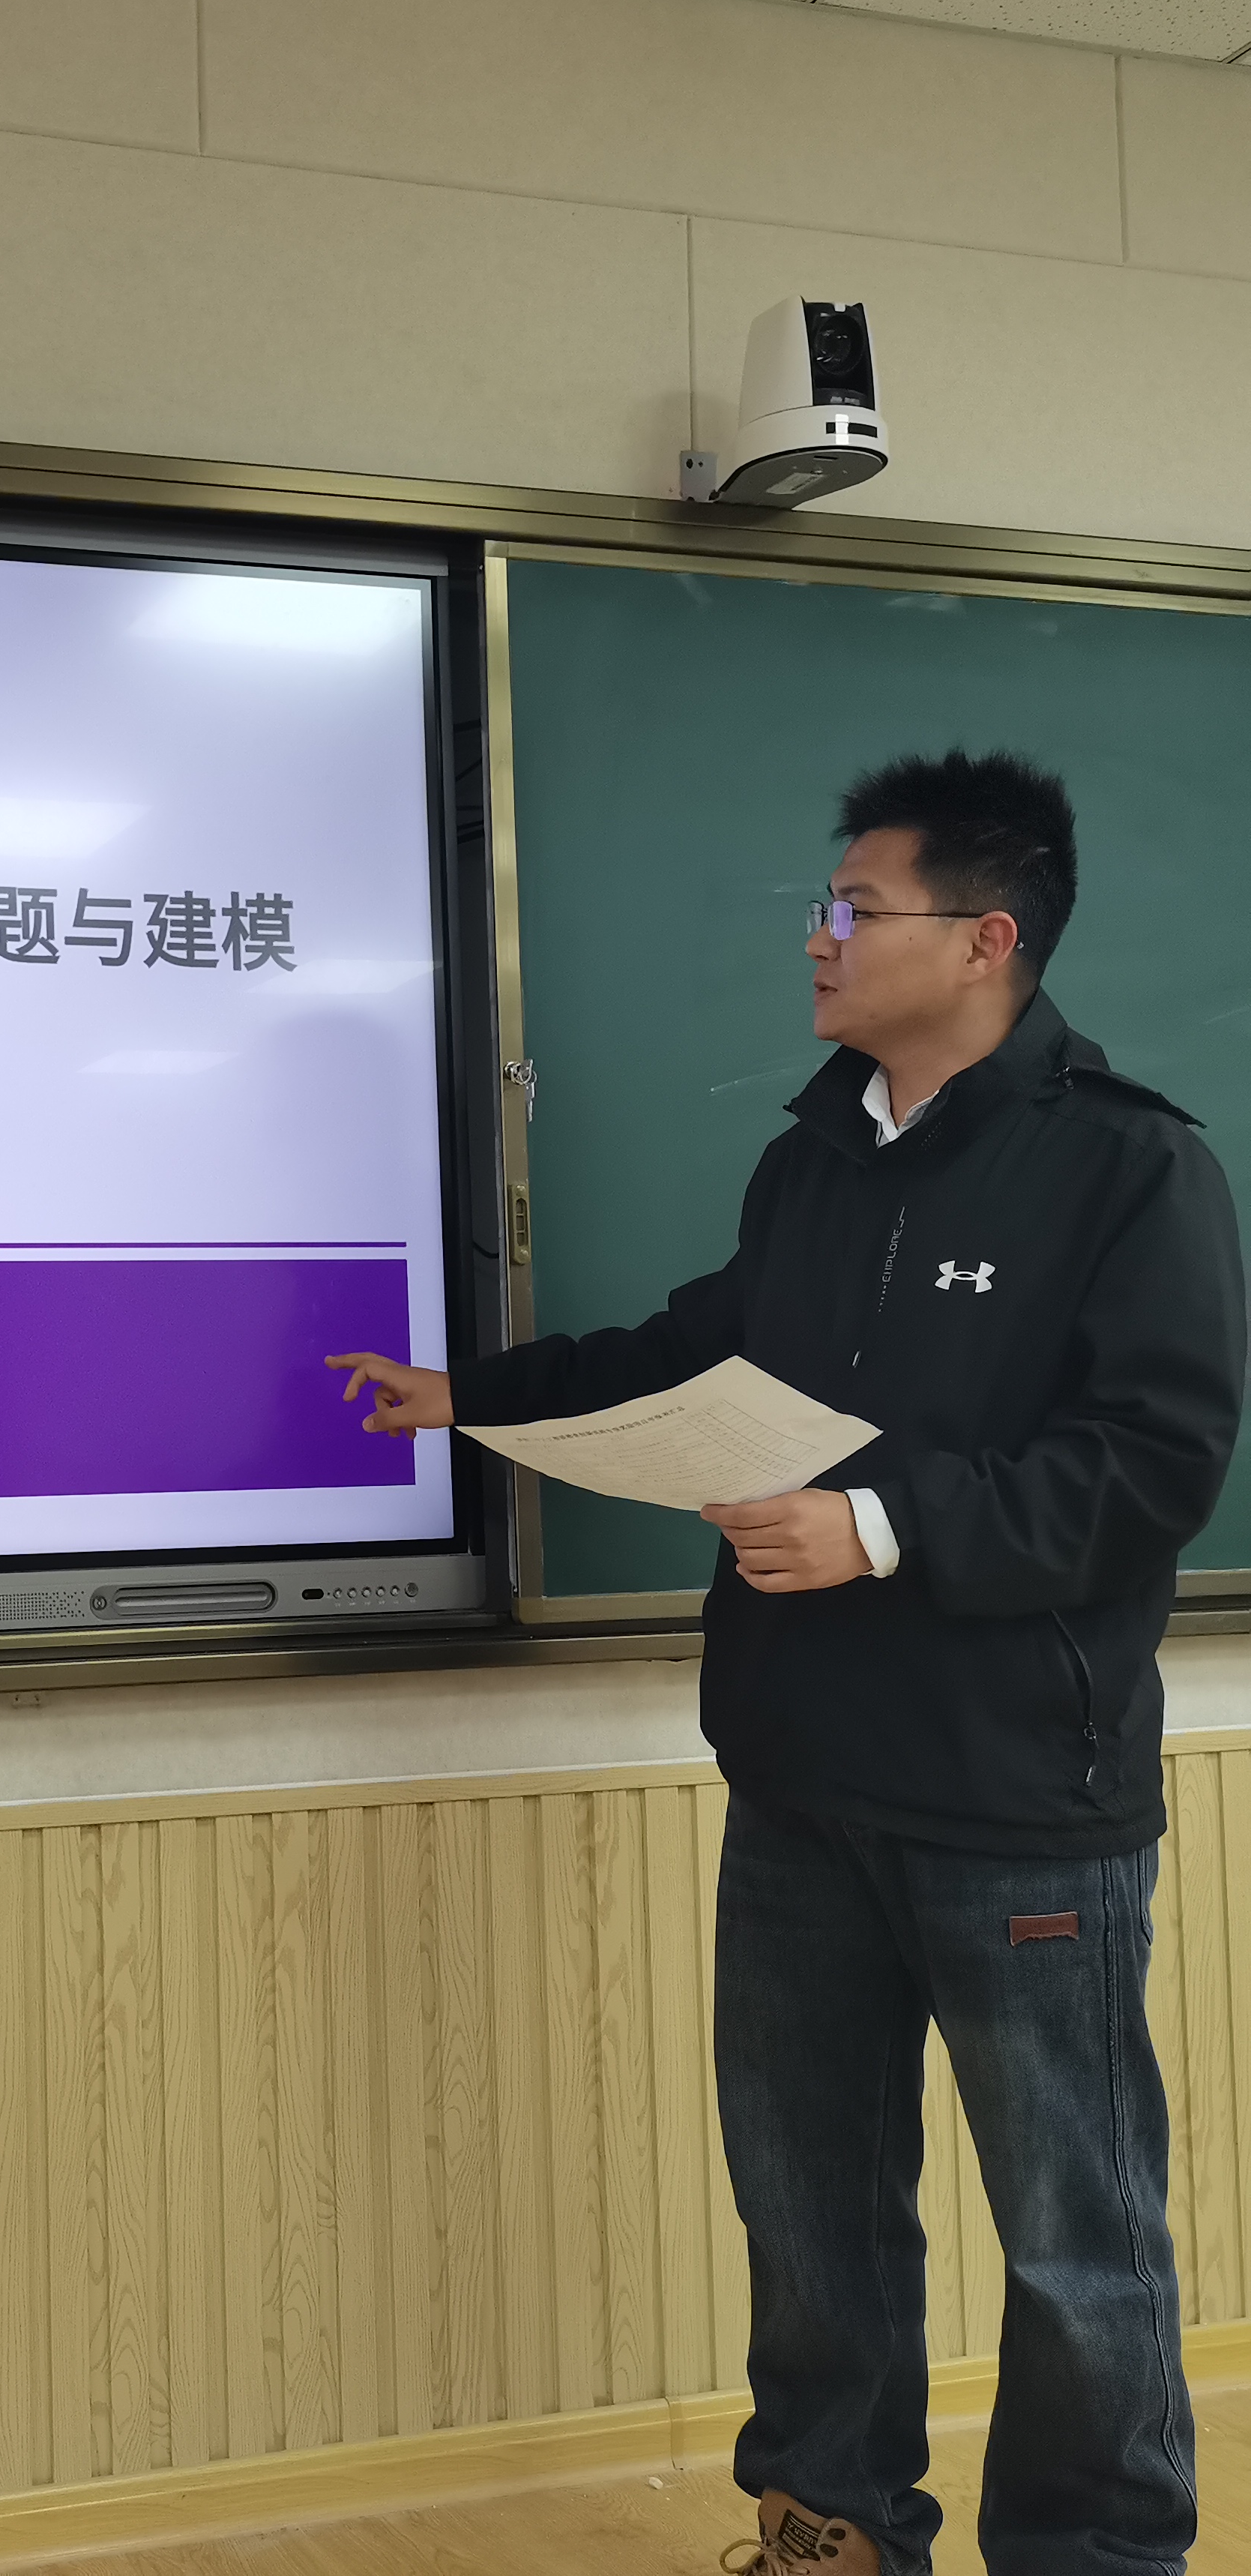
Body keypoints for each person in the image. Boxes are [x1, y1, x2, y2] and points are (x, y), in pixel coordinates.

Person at [330, 751, 1245, 2576]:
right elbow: (697, 1355)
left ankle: (1096, 2551)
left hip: (1018, 1800)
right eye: (824, 907)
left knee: (1075, 2230)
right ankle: (832, 2528)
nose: (818, 938)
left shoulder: (1130, 1167)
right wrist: (472, 1396)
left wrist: (879, 1527)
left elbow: (1154, 1466)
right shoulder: (815, 1159)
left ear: (985, 940)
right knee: (814, 2210)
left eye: (856, 908)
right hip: (802, 1780)